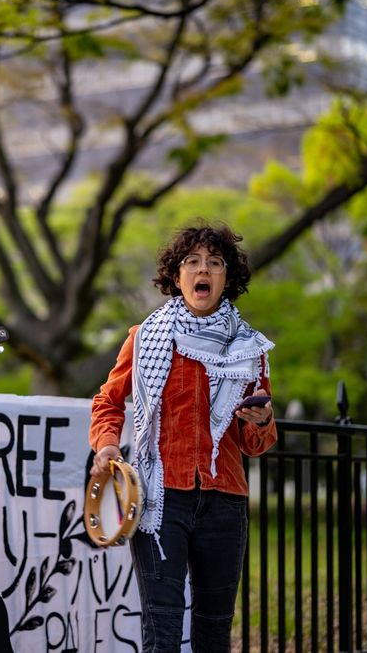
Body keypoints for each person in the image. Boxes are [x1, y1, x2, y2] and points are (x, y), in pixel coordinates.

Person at [89, 222, 276, 652]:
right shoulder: (144, 338)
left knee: (213, 634)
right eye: (192, 262)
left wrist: (261, 420)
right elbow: (107, 402)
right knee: (163, 634)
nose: (202, 269)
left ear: (227, 279)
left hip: (224, 501)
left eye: (214, 262)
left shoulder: (249, 348)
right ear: (177, 277)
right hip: (158, 500)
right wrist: (108, 444)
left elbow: (255, 443)